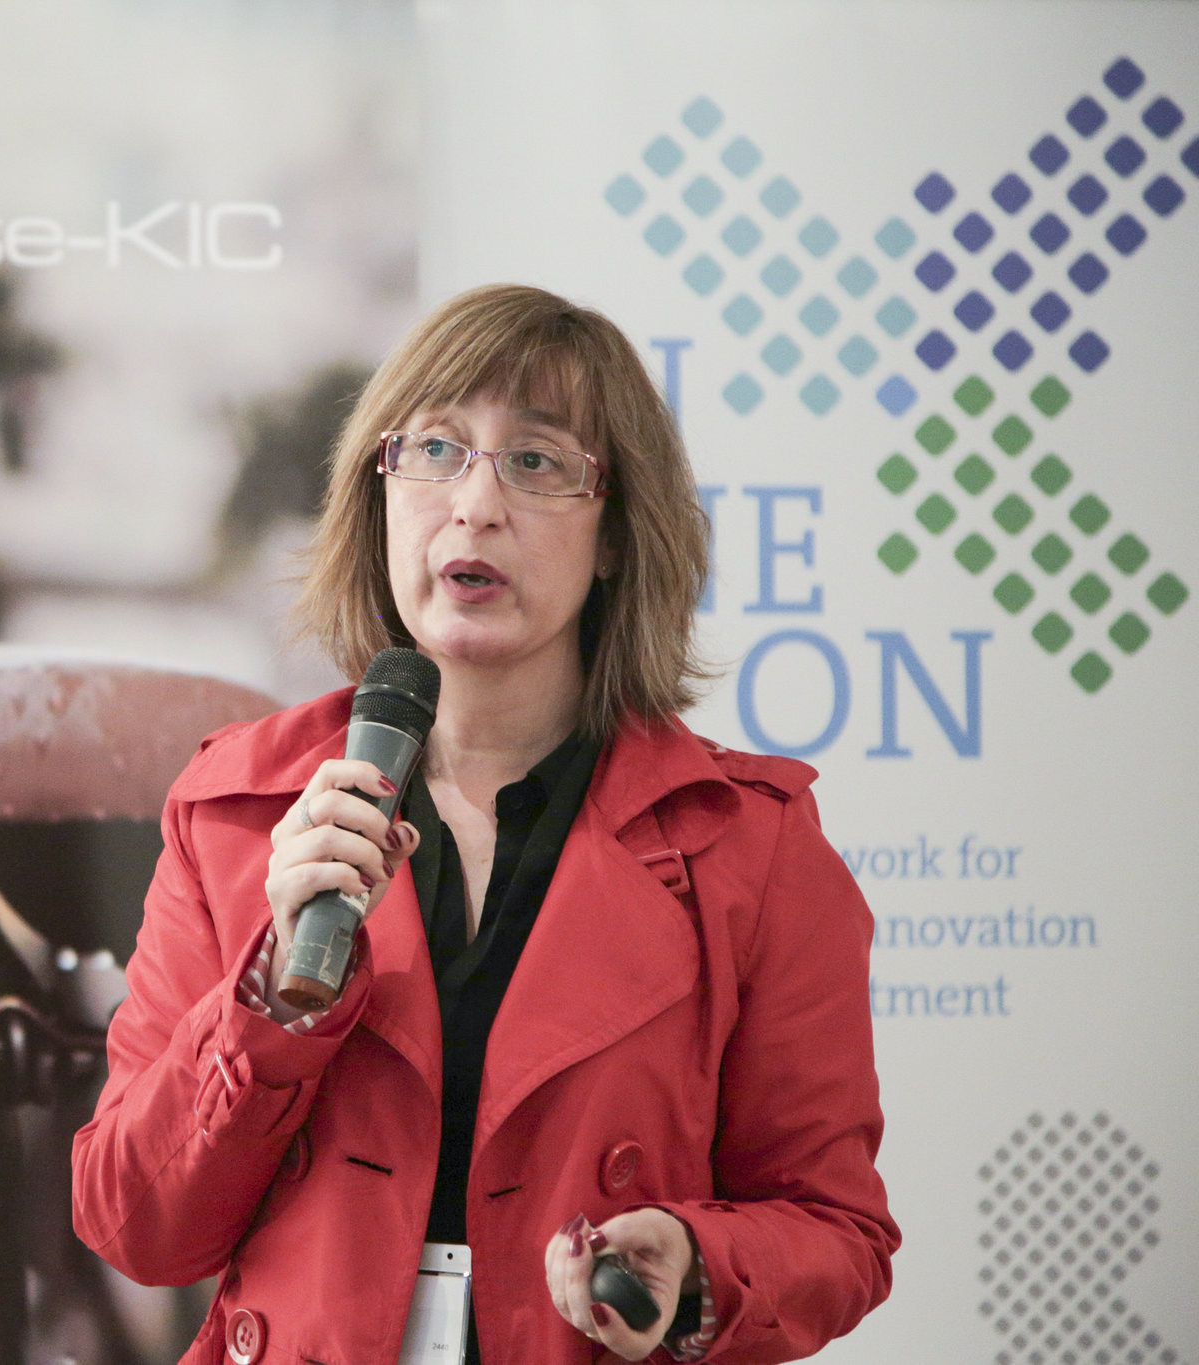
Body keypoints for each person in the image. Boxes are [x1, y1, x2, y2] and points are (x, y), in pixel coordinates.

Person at [71, 284, 897, 1365]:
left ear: (614, 535)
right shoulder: (236, 810)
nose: (474, 504)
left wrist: (695, 1262)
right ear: (377, 492)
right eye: (434, 450)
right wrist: (269, 1002)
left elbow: (835, 1231)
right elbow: (136, 1227)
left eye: (536, 461)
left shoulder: (747, 845)